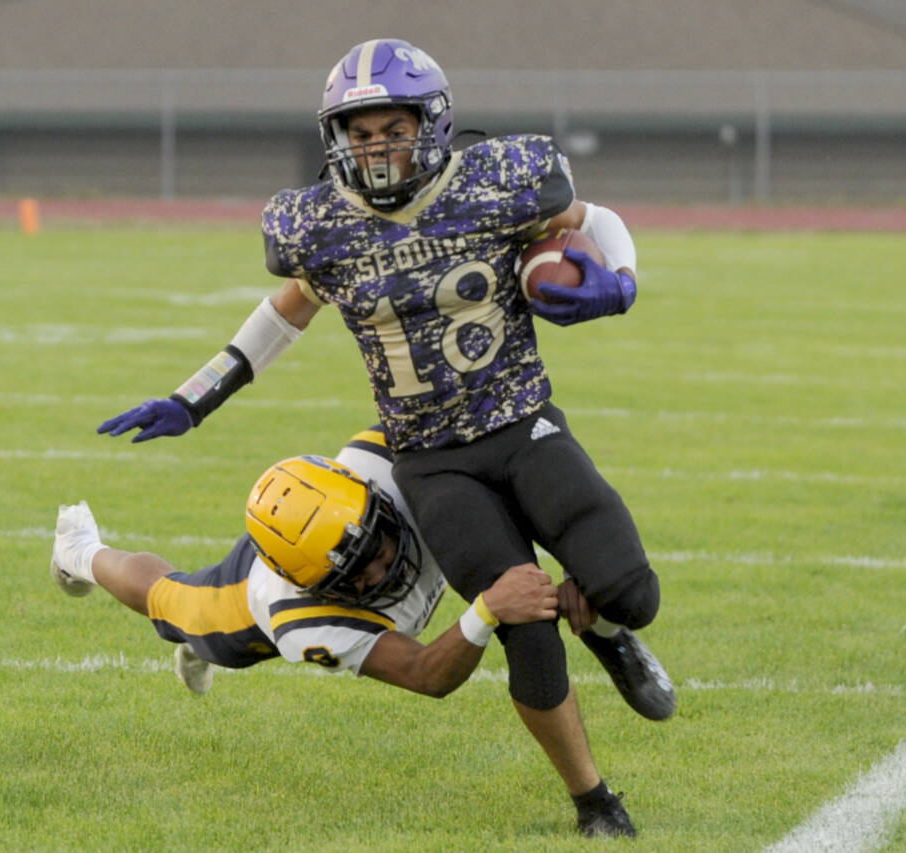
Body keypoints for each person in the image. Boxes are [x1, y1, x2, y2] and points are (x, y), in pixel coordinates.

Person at [95, 39, 673, 838]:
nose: (374, 148)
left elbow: (594, 219)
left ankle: (608, 630)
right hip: (433, 460)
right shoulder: (324, 225)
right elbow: (287, 311)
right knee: (525, 630)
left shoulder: (497, 180)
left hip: (524, 424)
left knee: (632, 591)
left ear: (429, 125)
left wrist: (623, 280)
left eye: (389, 129)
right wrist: (196, 398)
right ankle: (594, 799)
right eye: (358, 134)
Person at [50, 427, 558, 700]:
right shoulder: (299, 614)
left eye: (375, 551)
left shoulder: (387, 462)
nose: (381, 575)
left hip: (305, 536)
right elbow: (426, 675)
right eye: (356, 576)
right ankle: (80, 551)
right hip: (247, 602)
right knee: (171, 601)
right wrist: (487, 610)